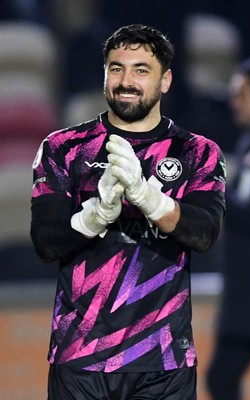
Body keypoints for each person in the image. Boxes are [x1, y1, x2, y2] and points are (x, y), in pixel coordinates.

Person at [30, 24, 226, 400]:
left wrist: (146, 197)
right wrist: (95, 215)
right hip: (80, 358)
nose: (126, 80)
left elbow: (204, 234)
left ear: (165, 80)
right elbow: (45, 242)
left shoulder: (198, 152)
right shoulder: (63, 149)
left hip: (163, 361)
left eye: (141, 69)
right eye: (116, 68)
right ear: (104, 75)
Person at [206, 58, 250, 400]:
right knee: (222, 379)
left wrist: (214, 194)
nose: (235, 103)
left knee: (222, 378)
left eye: (241, 94)